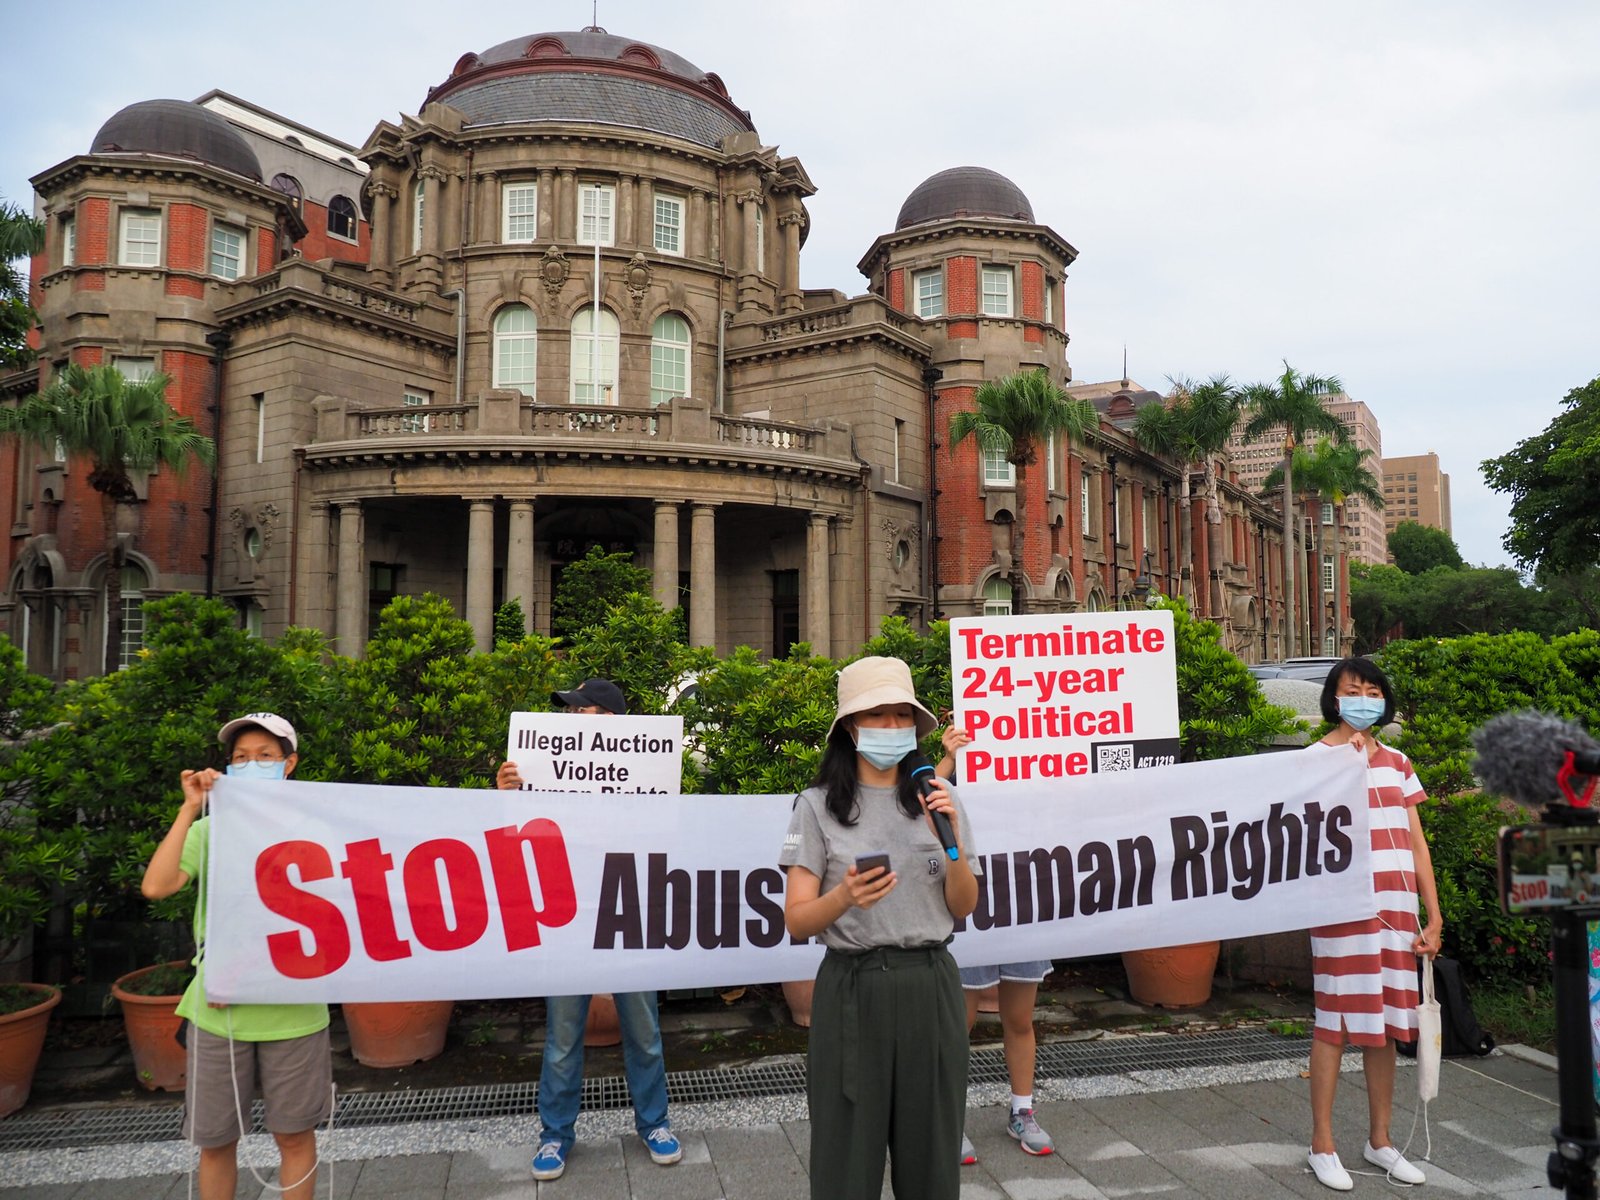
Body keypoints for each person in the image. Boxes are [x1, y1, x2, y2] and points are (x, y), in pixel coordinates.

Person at [780, 656, 980, 1200]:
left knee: (932, 1161)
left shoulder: (938, 798)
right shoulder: (817, 807)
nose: (892, 726)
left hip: (930, 985)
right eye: (877, 714)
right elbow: (796, 918)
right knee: (845, 1163)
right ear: (849, 726)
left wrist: (951, 845)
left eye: (902, 715)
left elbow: (963, 906)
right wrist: (843, 896)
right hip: (852, 990)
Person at [496, 677, 681, 1182]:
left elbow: (665, 833)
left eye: (583, 710)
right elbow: (517, 837)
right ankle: (555, 1134)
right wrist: (507, 796)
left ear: (611, 721)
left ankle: (655, 1124)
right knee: (562, 1036)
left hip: (628, 911)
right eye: (571, 711)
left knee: (643, 1031)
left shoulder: (644, 776)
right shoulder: (545, 769)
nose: (572, 718)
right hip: (567, 917)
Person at [140, 713, 331, 1200]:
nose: (251, 763)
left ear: (289, 764)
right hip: (218, 1012)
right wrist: (190, 809)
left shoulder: (318, 831)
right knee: (216, 1141)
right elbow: (157, 886)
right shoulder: (212, 831)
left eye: (265, 755)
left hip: (295, 1011)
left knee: (295, 1136)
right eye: (241, 757)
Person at [1305, 658, 1442, 1191]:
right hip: (1341, 913)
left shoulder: (1400, 763)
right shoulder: (1315, 761)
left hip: (1396, 913)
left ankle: (1380, 1140)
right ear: (1334, 699)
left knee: (1384, 1025)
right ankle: (1322, 1144)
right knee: (1335, 1024)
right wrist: (1349, 764)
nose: (1364, 699)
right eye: (1353, 690)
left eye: (1373, 691)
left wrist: (1433, 914)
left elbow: (1416, 842)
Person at [935, 723, 1054, 1163]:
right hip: (971, 904)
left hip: (1025, 901)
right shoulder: (958, 768)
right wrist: (950, 756)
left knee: (1020, 1018)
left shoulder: (1041, 760)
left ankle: (1023, 1111)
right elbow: (923, 796)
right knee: (958, 1024)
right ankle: (947, 1121)